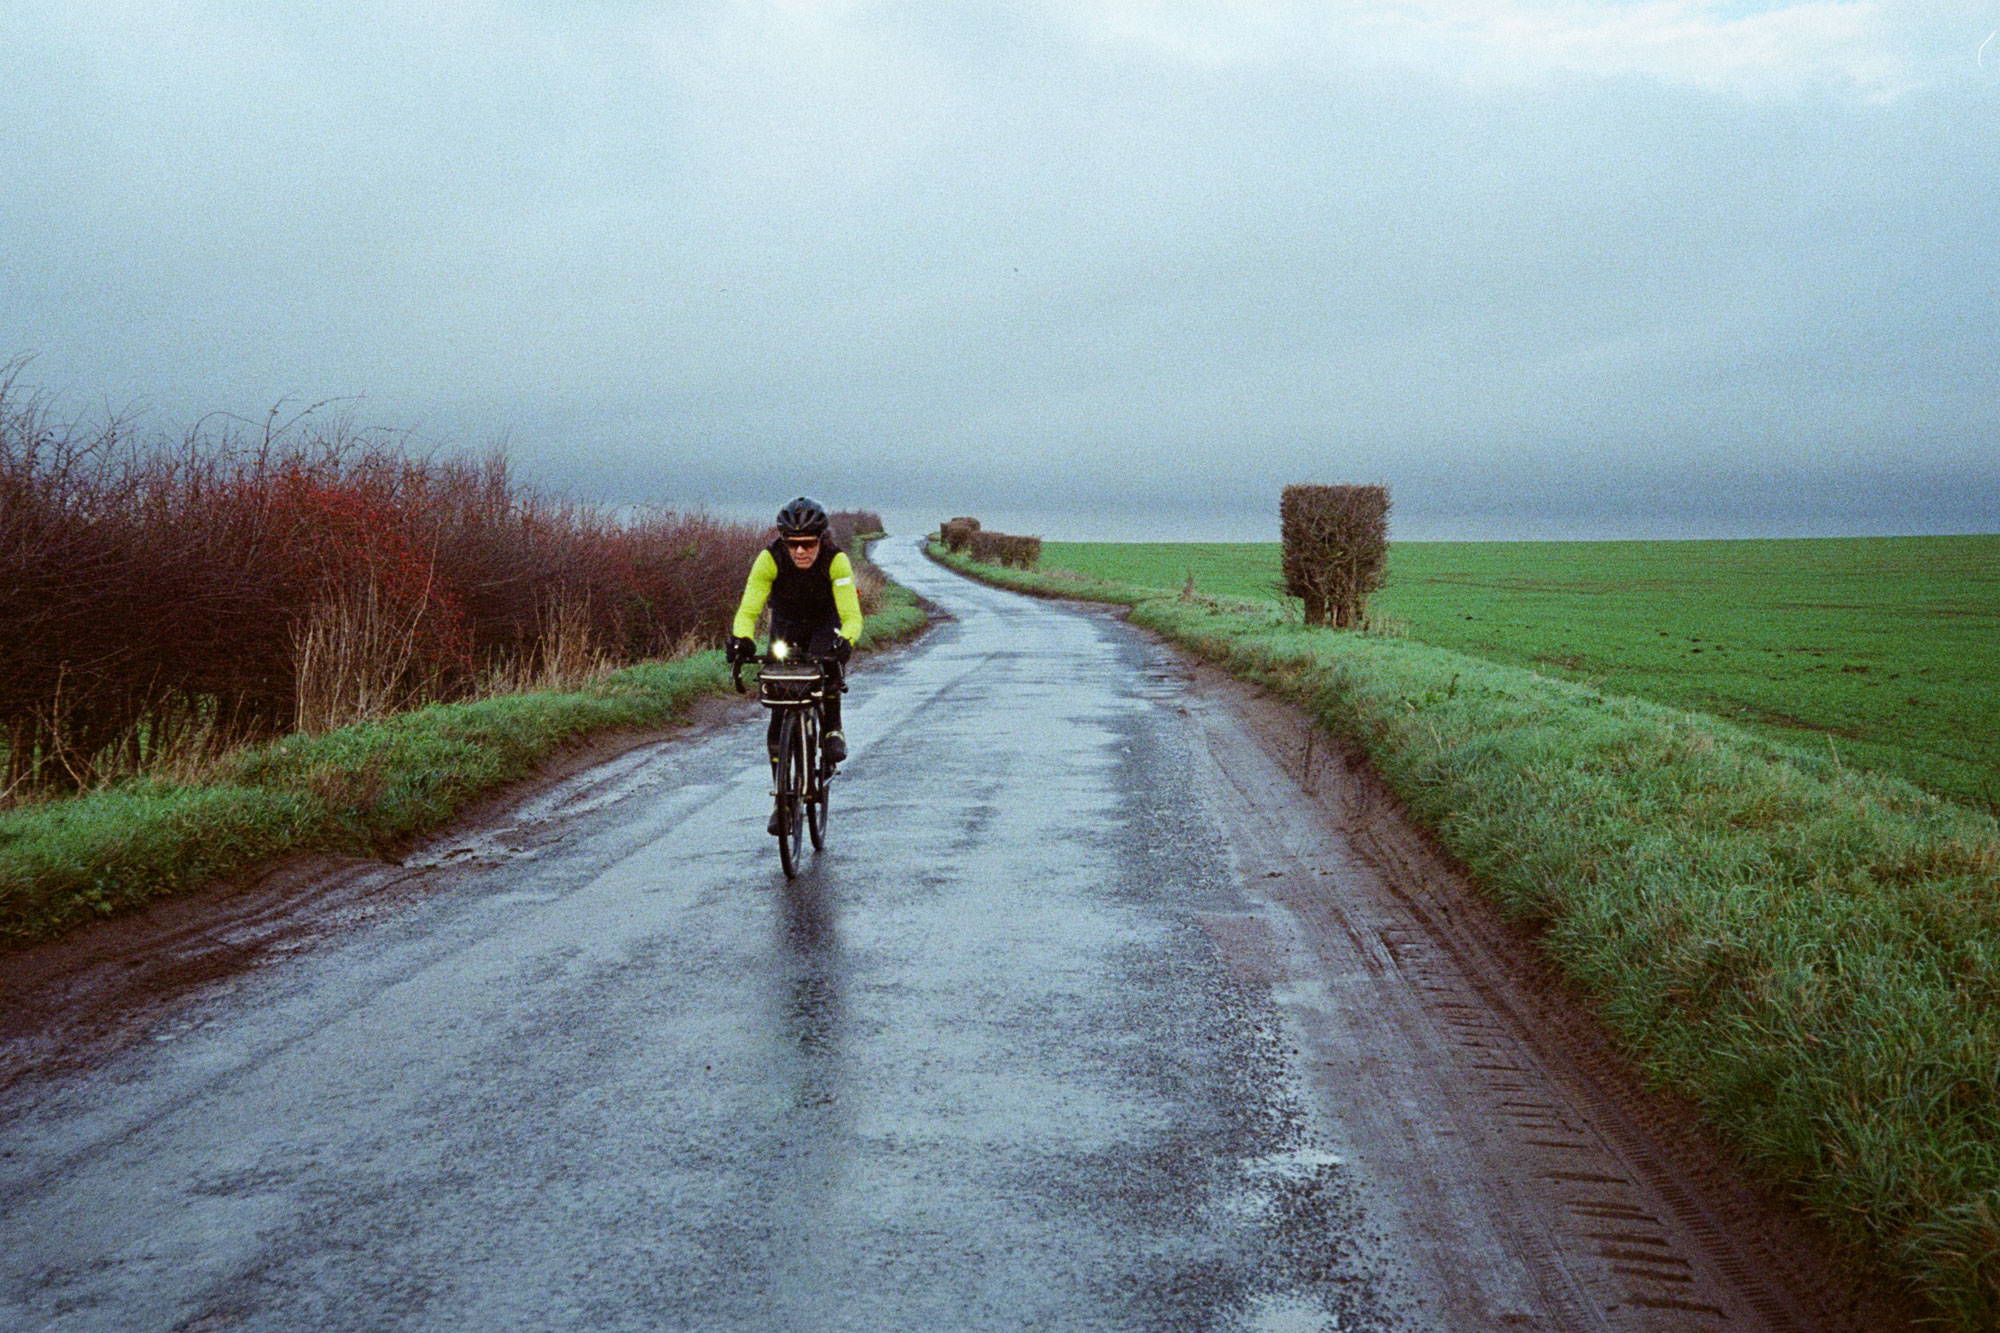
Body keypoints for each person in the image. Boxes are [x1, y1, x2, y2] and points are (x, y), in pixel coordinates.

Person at [726, 498, 864, 821]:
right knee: (778, 708)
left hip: (823, 621)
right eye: (793, 544)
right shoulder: (769, 559)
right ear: (784, 542)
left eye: (808, 544)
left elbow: (852, 616)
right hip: (786, 624)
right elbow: (748, 610)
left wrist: (845, 643)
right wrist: (742, 640)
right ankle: (783, 800)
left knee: (825, 665)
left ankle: (833, 728)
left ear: (820, 540)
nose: (800, 551)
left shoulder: (836, 561)